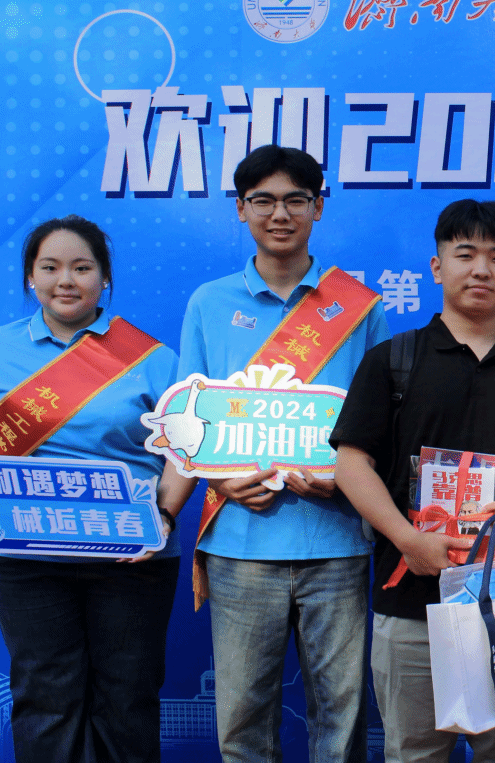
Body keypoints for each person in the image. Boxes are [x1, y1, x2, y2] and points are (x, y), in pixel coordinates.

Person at [154, 144, 389, 763]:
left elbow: (379, 424)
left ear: (318, 207)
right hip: (239, 543)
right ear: (241, 209)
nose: (279, 214)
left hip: (335, 541)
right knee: (242, 724)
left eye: (294, 200)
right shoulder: (209, 303)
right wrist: (218, 480)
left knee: (340, 721)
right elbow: (187, 422)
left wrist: (345, 478)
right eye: (263, 201)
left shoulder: (358, 307)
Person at [331, 199, 495, 763]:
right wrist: (408, 540)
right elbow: (351, 465)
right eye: (465, 254)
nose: (481, 269)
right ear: (437, 267)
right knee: (413, 753)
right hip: (411, 599)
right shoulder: (393, 361)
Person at [0, 215, 180, 763]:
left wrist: (164, 516)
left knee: (128, 697)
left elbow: (184, 453)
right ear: (31, 277)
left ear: (105, 277)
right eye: (50, 268)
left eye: (82, 267)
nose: (66, 281)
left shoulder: (152, 358)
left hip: (131, 555)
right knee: (46, 696)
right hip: (27, 557)